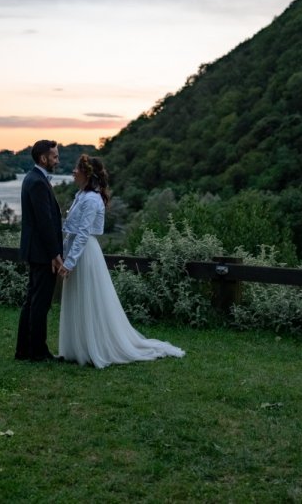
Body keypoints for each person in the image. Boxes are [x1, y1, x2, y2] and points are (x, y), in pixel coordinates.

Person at [58, 155, 185, 368]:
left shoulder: (90, 199)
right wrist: (63, 253)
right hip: (76, 250)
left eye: (76, 169)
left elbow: (83, 233)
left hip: (85, 254)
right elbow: (71, 231)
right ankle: (78, 347)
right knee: (78, 297)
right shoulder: (81, 195)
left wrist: (69, 261)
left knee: (89, 298)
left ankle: (93, 346)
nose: (73, 172)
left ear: (86, 174)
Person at [15, 139, 64, 362]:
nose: (57, 159)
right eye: (54, 156)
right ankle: (37, 351)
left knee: (32, 301)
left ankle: (24, 350)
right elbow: (44, 222)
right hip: (41, 252)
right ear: (43, 158)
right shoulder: (37, 182)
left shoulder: (34, 179)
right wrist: (55, 254)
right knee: (39, 303)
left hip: (36, 251)